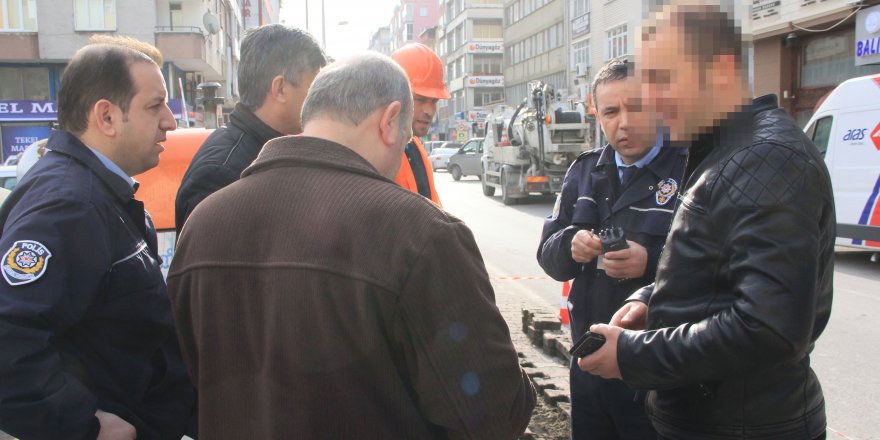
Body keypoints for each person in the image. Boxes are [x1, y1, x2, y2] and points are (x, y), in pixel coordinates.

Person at [167, 53, 536, 439]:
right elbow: (494, 414)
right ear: (390, 121)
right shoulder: (420, 234)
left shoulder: (203, 224)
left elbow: (193, 374)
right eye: (407, 140)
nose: (400, 159)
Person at [579, 4, 835, 439]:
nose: (652, 103)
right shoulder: (729, 148)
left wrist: (633, 354)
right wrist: (651, 300)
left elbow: (767, 327)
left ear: (720, 71)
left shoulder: (765, 159)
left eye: (663, 80)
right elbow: (716, 273)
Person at [0, 42, 195, 439]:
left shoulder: (94, 193)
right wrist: (83, 424)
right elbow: (9, 337)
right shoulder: (69, 204)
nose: (169, 122)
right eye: (154, 106)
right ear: (106, 116)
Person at [537, 58, 685, 439]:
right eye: (611, 111)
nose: (625, 122)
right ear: (597, 115)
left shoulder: (688, 170)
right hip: (590, 365)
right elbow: (548, 255)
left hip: (656, 374)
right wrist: (571, 246)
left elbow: (713, 267)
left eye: (635, 107)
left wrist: (649, 264)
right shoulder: (584, 170)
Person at [175, 24, 326, 233]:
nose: (318, 100)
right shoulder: (221, 173)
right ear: (280, 88)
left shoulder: (265, 149)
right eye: (313, 88)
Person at [391, 43, 447, 205]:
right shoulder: (375, 152)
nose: (429, 111)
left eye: (434, 101)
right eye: (420, 100)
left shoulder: (414, 146)